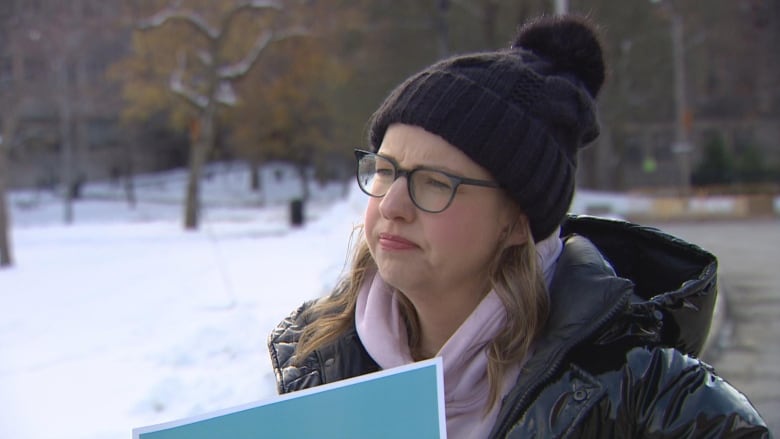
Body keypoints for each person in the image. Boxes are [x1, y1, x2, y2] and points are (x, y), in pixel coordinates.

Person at [267, 15, 771, 438]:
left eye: (435, 182)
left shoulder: (643, 396)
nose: (393, 204)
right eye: (384, 170)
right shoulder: (318, 364)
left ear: (516, 222)